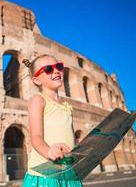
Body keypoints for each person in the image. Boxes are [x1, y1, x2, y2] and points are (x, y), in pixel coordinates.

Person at [22, 54, 83, 187]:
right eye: (49, 69)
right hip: (45, 173)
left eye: (59, 66)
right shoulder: (38, 100)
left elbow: (71, 138)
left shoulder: (66, 106)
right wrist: (48, 151)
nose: (56, 71)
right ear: (37, 80)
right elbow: (36, 137)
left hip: (67, 171)